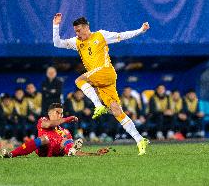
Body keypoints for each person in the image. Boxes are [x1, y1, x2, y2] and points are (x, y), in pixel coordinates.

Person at [53, 13, 149, 155]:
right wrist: (56, 26)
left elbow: (121, 36)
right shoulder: (77, 42)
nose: (77, 34)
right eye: (75, 32)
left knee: (79, 80)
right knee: (116, 110)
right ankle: (140, 140)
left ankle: (98, 106)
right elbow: (57, 43)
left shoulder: (100, 35)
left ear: (86, 28)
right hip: (100, 81)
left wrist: (140, 30)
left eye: (79, 30)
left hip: (106, 71)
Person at [1, 103, 110, 158]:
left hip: (59, 152)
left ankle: (72, 150)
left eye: (62, 113)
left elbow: (73, 151)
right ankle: (11, 154)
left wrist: (95, 154)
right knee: (44, 138)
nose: (60, 115)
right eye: (57, 112)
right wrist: (67, 118)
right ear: (49, 113)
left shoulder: (65, 131)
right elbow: (49, 124)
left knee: (68, 141)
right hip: (44, 149)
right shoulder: (43, 120)